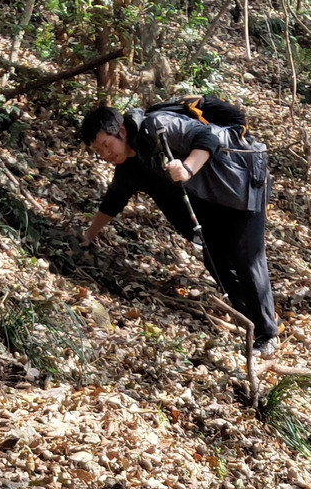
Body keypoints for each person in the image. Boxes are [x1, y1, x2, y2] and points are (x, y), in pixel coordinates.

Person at [78, 104, 278, 354]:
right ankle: (255, 323)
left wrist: (187, 168)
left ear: (121, 131)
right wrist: (90, 234)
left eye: (106, 145)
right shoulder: (130, 167)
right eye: (98, 151)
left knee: (246, 258)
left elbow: (208, 137)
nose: (104, 154)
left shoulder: (158, 127)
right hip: (212, 201)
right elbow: (114, 200)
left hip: (242, 184)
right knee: (215, 259)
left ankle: (268, 334)